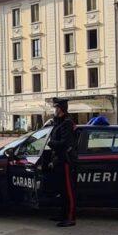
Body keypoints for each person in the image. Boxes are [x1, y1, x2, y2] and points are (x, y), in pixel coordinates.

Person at [47, 97, 77, 227]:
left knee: (68, 191)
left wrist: (51, 143)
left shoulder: (67, 123)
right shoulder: (59, 122)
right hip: (58, 160)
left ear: (61, 109)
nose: (55, 110)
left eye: (56, 108)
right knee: (61, 190)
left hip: (65, 160)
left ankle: (70, 218)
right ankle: (62, 214)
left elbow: (65, 143)